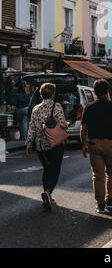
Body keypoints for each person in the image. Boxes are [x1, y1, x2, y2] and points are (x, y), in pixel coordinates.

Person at [80, 79, 112, 214]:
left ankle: (100, 204)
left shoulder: (89, 107)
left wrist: (83, 145)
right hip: (110, 144)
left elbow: (83, 128)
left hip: (94, 144)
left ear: (94, 92)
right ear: (107, 92)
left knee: (97, 175)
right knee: (111, 173)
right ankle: (110, 200)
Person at [26, 82, 68, 210]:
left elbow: (32, 127)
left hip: (40, 146)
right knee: (55, 170)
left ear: (41, 94)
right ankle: (48, 192)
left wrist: (29, 144)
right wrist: (66, 124)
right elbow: (63, 124)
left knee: (47, 169)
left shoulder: (35, 108)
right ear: (53, 94)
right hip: (55, 144)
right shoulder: (57, 106)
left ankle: (47, 192)